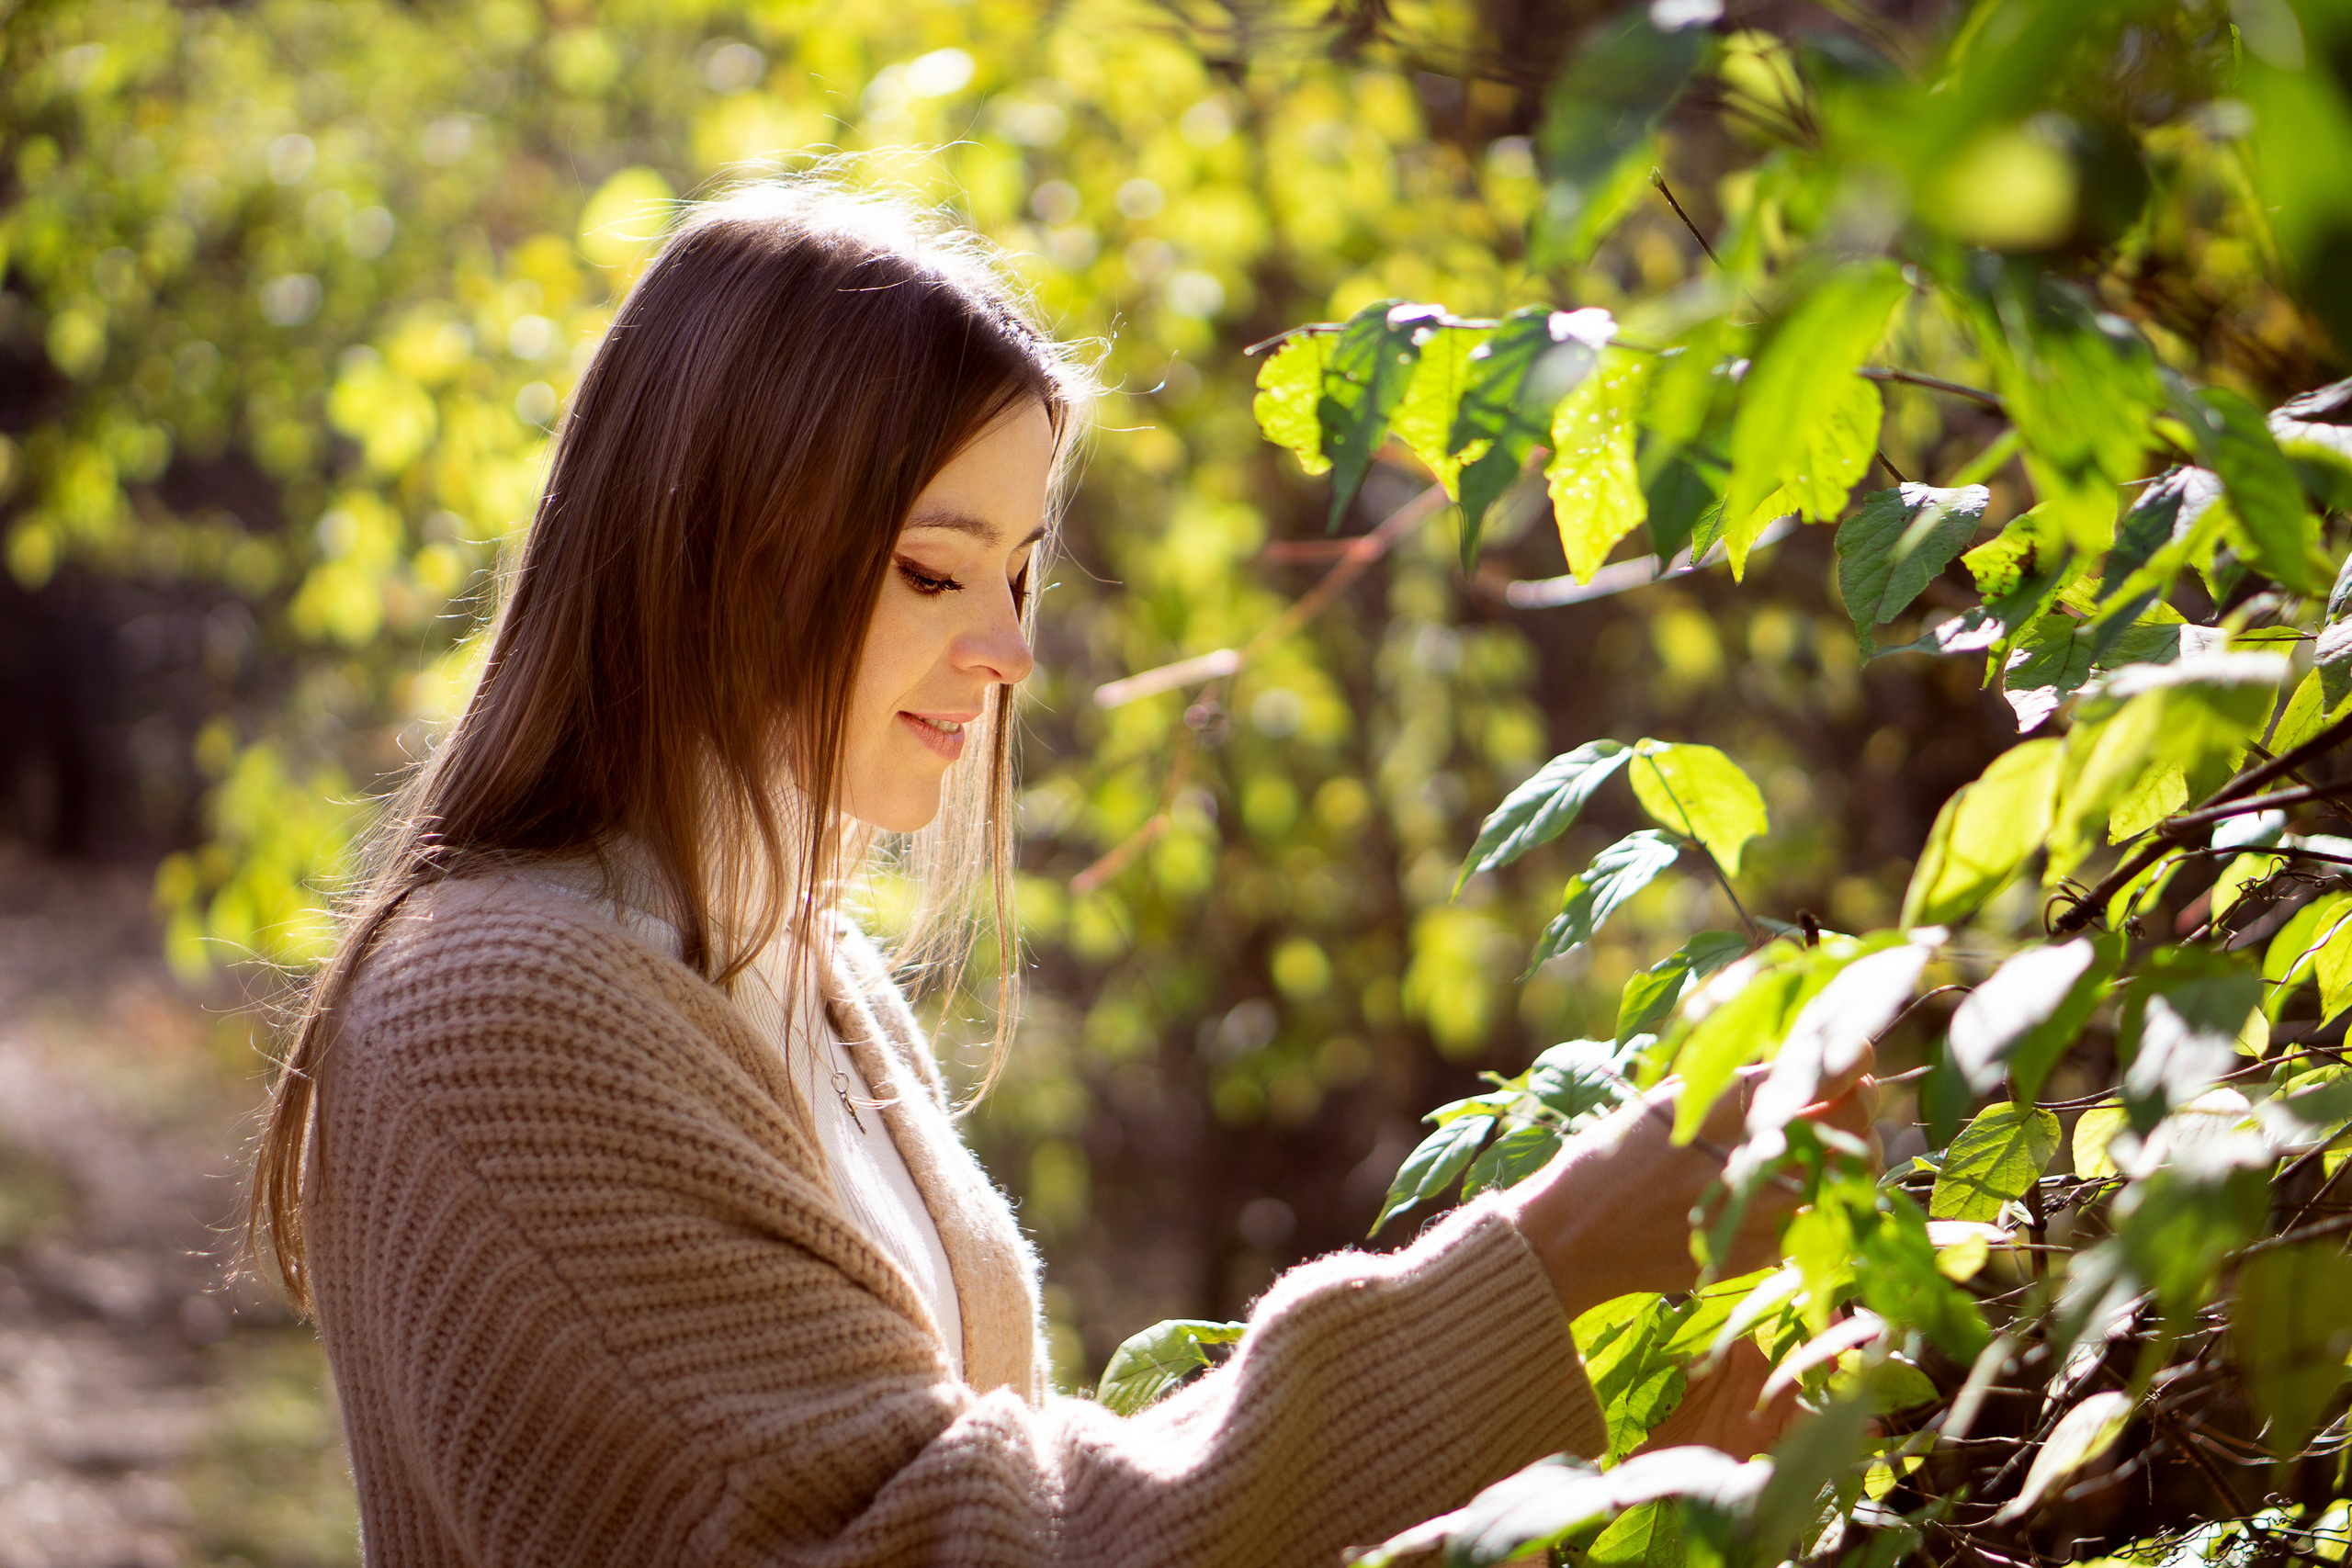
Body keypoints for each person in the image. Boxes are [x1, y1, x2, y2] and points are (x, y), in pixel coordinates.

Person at [254, 182, 1874, 1567]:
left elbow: (997, 1484)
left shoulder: (792, 967)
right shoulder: (499, 1012)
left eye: (1020, 571)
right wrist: (1561, 1250)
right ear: (717, 549)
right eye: (932, 567)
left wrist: (1654, 1435)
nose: (1012, 648)